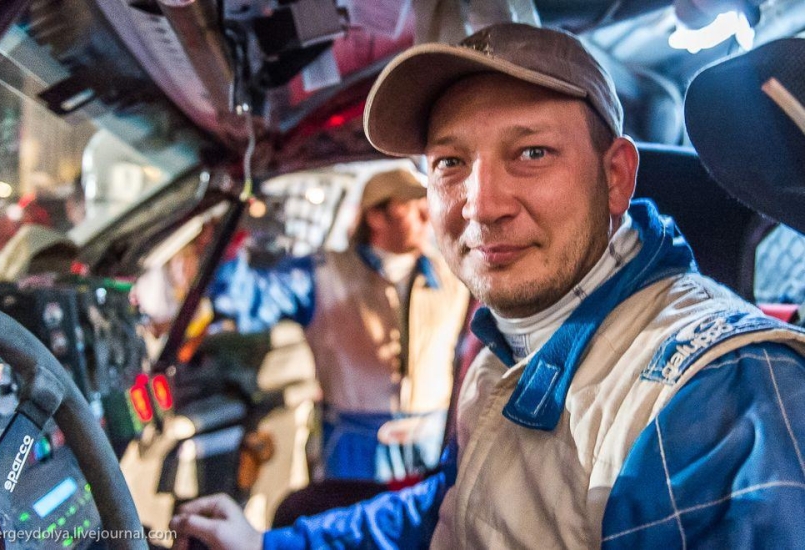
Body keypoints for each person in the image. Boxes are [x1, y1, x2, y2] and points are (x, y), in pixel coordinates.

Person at [172, 23, 805, 549]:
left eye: (531, 153)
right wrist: (273, 544)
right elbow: (457, 503)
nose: (481, 206)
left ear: (615, 178)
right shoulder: (508, 341)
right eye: (450, 163)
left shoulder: (714, 394)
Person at [210, 167, 470, 482]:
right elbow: (245, 301)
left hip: (433, 439)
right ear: (376, 216)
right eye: (413, 207)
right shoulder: (322, 272)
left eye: (427, 206)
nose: (427, 217)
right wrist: (226, 246)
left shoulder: (450, 274)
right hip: (355, 444)